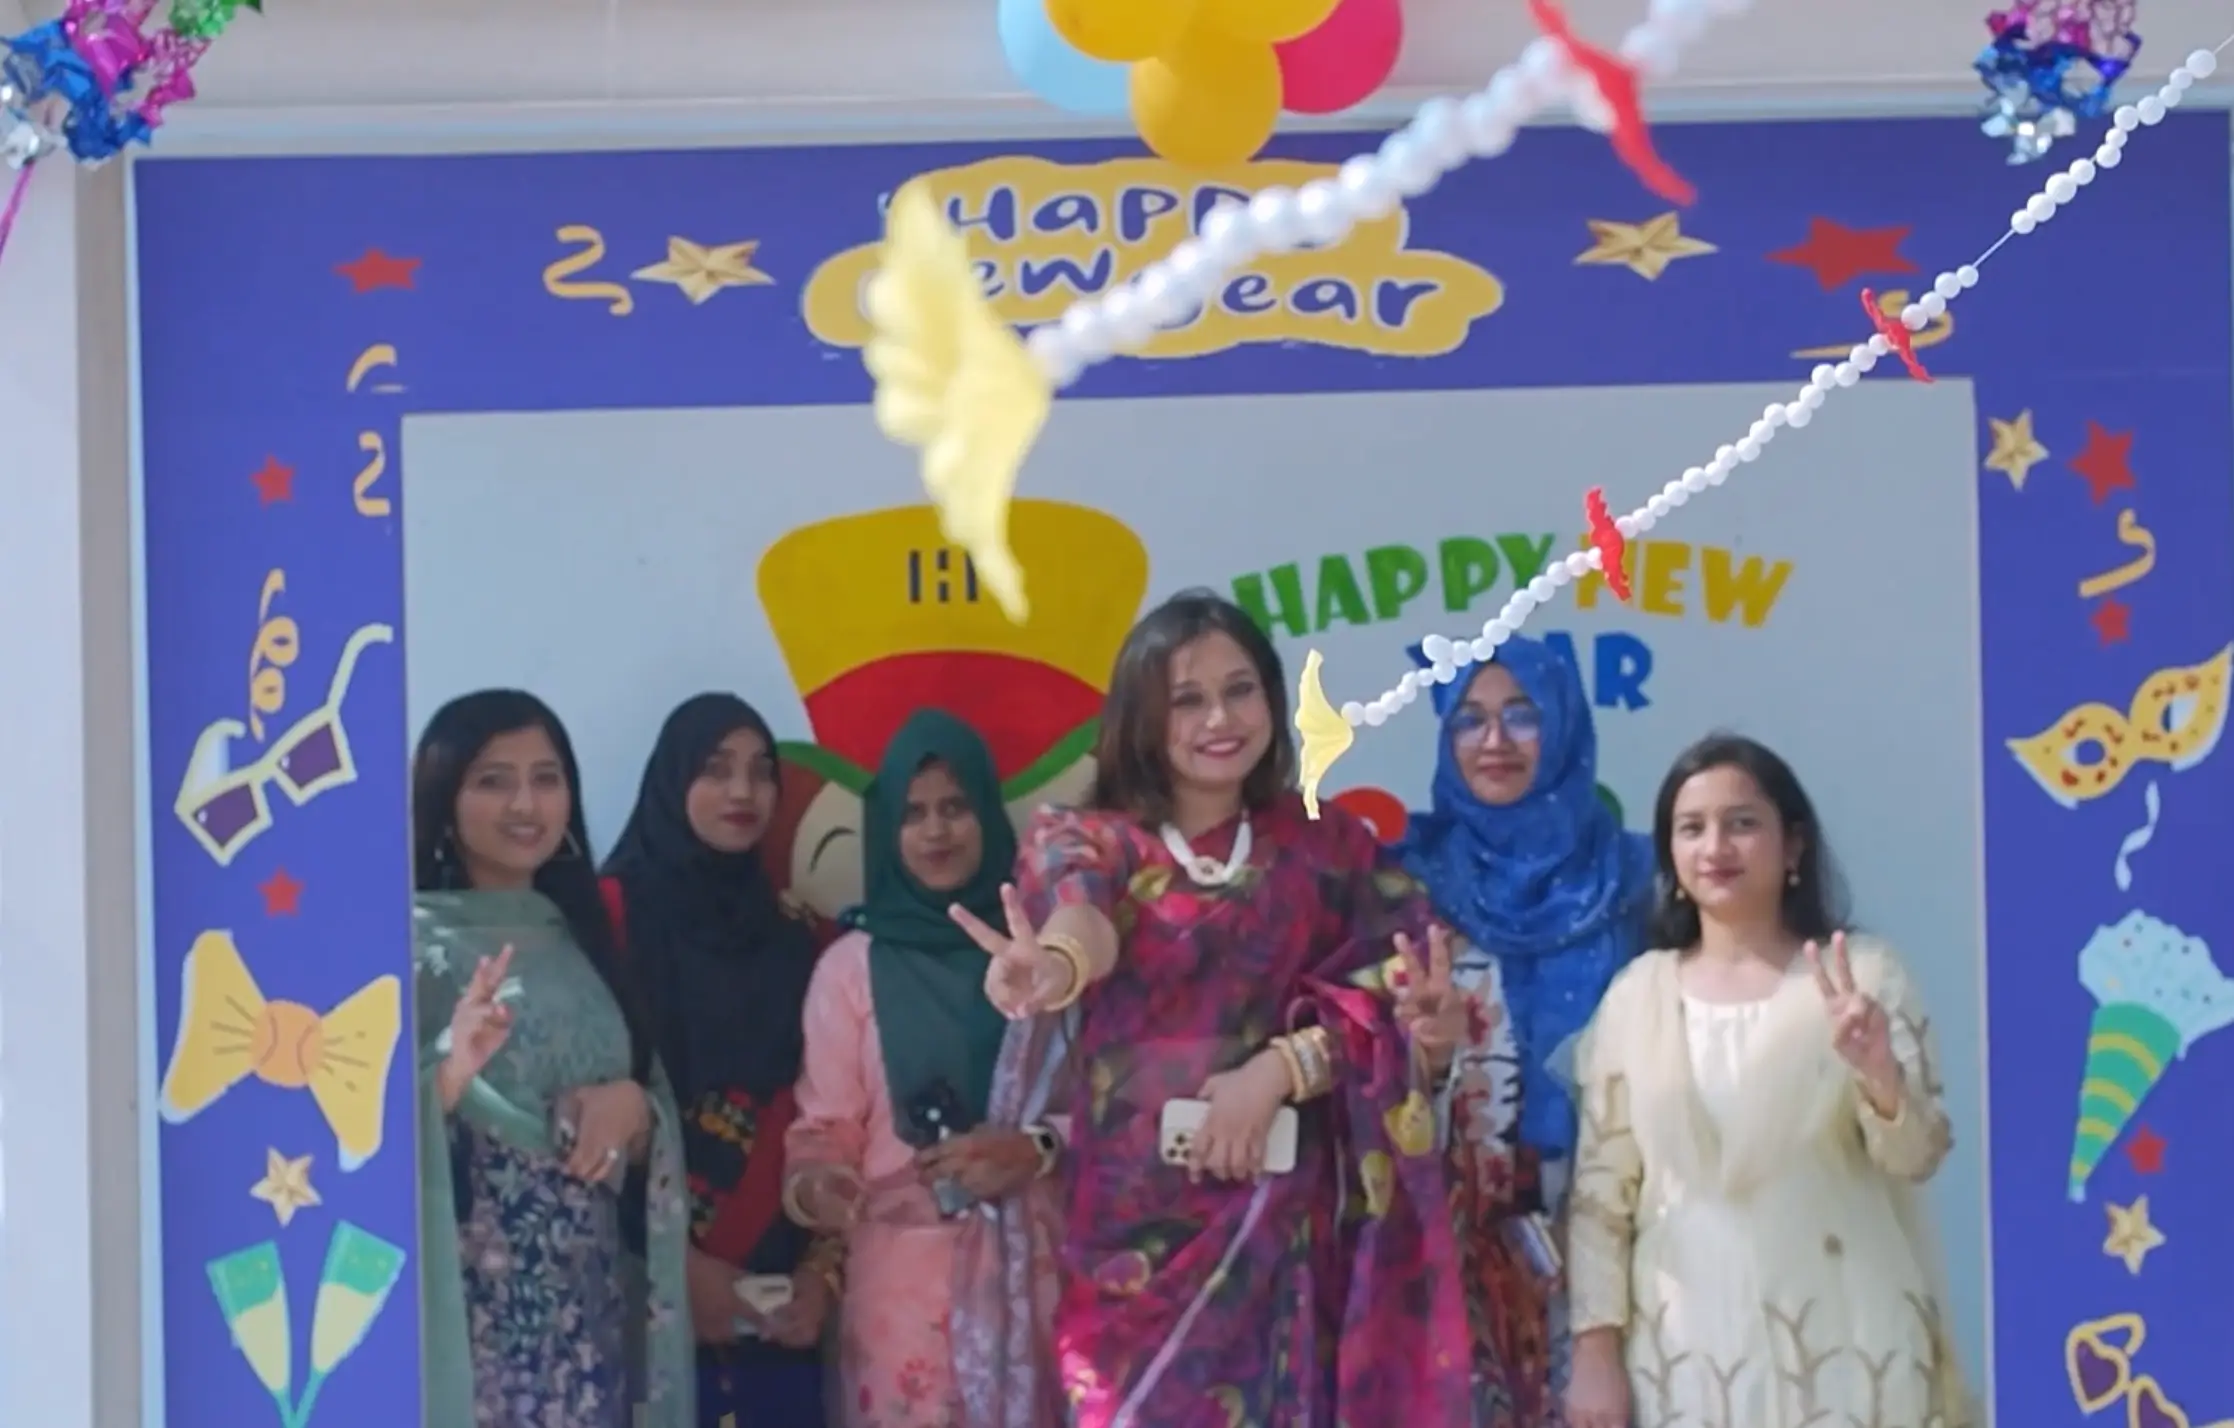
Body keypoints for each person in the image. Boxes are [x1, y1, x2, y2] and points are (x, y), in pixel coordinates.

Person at [946, 588, 1473, 1427]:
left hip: (1283, 1239)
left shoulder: (1324, 847)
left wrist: (1279, 1069)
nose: (1218, 718)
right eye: (1185, 700)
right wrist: (1054, 965)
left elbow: (1402, 984)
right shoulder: (1089, 839)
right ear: (1140, 721)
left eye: (1240, 689)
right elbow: (1086, 921)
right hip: (1132, 1250)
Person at [1562, 734, 1968, 1428]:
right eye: (1692, 829)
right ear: (1671, 857)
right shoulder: (1638, 998)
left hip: (1851, 1348)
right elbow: (1602, 1199)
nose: (1716, 846)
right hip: (1689, 1356)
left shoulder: (1863, 977)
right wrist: (1596, 1353)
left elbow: (1918, 1154)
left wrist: (1879, 1076)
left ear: (1795, 846)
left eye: (1742, 823)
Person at [410, 689, 694, 1428]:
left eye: (546, 777)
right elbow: (358, 1131)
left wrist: (635, 1109)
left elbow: (646, 1105)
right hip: (470, 1326)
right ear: (443, 797)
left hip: (588, 1320)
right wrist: (447, 1073)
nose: (525, 803)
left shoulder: (584, 942)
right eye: (492, 780)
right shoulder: (408, 949)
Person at [1396, 636, 1653, 1426]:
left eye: (1522, 716)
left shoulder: (1643, 884)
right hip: (1442, 1251)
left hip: (1615, 1248)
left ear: (1566, 727)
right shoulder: (1403, 882)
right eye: (1469, 720)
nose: (1495, 742)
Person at [784, 708, 1053, 1426]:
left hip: (1036, 1278)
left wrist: (1030, 1151)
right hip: (902, 1292)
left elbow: (1090, 1107)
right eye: (913, 813)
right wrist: (817, 1189)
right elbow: (825, 1130)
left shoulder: (1039, 955)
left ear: (989, 816)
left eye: (955, 807)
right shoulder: (849, 970)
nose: (936, 831)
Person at [601, 694, 834, 1428]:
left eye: (761, 771)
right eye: (715, 768)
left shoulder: (800, 938)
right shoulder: (609, 915)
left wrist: (818, 1275)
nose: (743, 792)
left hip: (772, 1294)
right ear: (671, 781)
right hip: (636, 1276)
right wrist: (674, 1268)